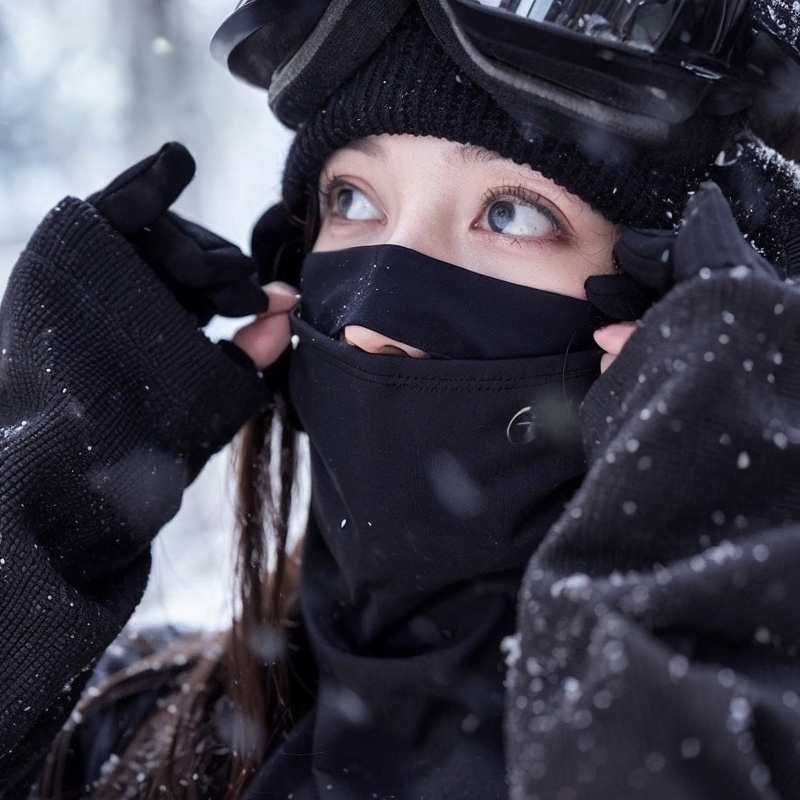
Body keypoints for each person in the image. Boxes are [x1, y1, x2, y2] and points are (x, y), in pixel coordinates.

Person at [2, 1, 800, 799]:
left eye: (511, 213)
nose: (370, 323)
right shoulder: (123, 737)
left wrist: (707, 574)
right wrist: (43, 505)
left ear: (690, 318)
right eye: (352, 200)